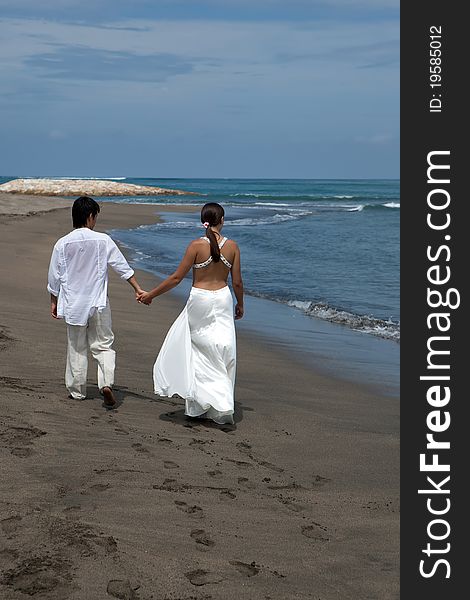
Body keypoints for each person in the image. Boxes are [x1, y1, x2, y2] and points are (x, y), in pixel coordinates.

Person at [138, 202, 243, 425]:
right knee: (224, 349)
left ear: (203, 221)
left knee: (199, 350)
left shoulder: (195, 246)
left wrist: (151, 295)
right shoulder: (233, 247)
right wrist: (240, 304)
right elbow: (238, 283)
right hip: (223, 299)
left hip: (200, 300)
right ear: (222, 220)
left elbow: (176, 278)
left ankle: (198, 406)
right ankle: (220, 405)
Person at [47, 196, 145, 408]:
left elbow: (54, 276)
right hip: (98, 302)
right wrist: (137, 288)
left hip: (73, 303)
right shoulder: (103, 240)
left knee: (76, 347)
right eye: (95, 217)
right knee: (103, 345)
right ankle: (106, 383)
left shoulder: (62, 244)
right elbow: (122, 267)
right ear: (90, 216)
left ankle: (77, 391)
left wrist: (54, 301)